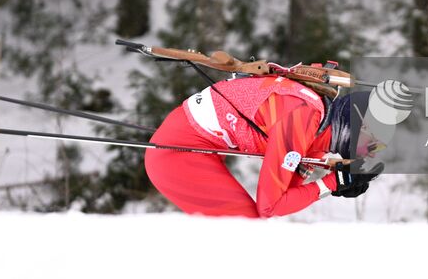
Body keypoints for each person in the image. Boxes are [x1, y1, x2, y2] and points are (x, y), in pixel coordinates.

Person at [144, 72, 382, 218]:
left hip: (192, 138)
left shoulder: (316, 115)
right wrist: (334, 181)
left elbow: (287, 184)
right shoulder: (300, 122)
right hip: (176, 154)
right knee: (246, 231)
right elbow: (271, 206)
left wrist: (336, 182)